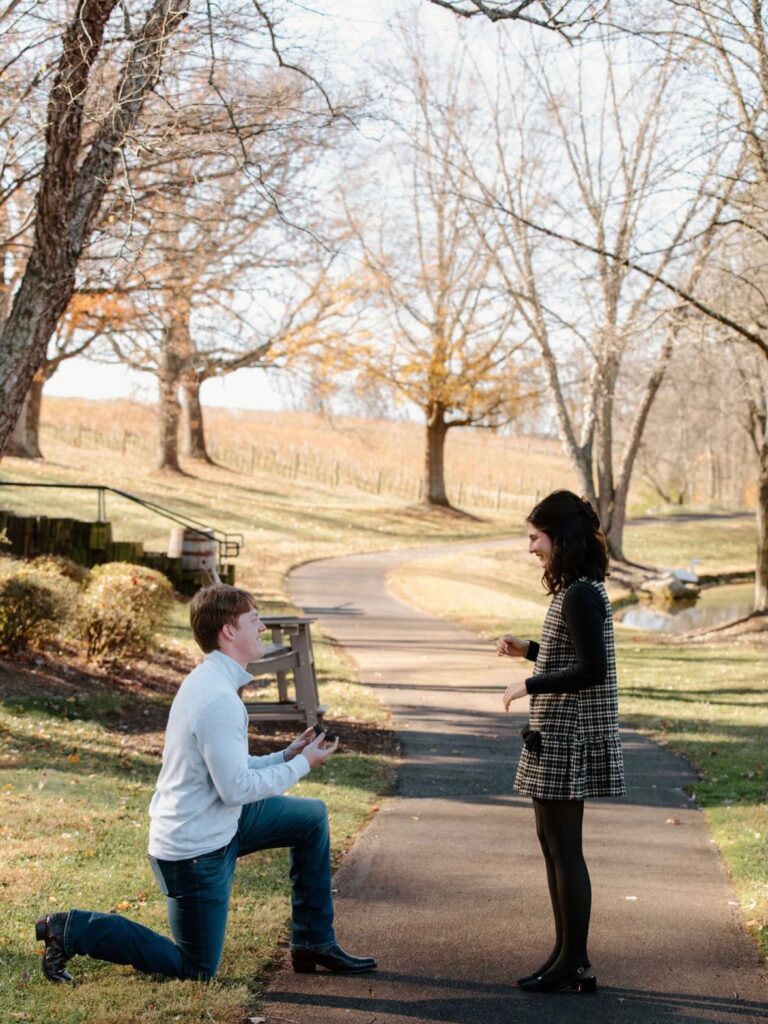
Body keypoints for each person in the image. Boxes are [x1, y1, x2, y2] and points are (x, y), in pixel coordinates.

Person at [35, 584, 376, 983]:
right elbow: (236, 789)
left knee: (311, 818)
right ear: (228, 631)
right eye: (254, 620)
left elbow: (231, 770)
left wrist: (286, 756)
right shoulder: (217, 698)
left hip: (221, 822)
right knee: (196, 969)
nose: (262, 627)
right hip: (194, 850)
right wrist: (302, 764)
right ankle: (70, 928)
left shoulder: (212, 682)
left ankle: (313, 942)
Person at [497, 490, 625, 995]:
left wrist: (529, 683)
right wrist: (529, 650)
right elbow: (570, 654)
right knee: (552, 846)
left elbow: (592, 670)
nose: (531, 547)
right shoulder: (575, 590)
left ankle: (575, 961)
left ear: (560, 537)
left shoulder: (580, 594)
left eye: (536, 537)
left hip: (568, 736)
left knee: (565, 850)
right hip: (553, 734)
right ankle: (564, 954)